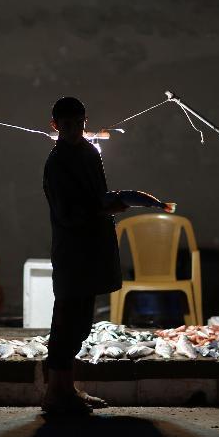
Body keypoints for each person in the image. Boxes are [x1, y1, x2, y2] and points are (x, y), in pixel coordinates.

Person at [41, 96, 128, 415]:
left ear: (85, 122)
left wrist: (111, 205)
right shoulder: (56, 162)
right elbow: (66, 213)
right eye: (67, 125)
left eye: (79, 123)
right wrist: (106, 208)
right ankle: (55, 393)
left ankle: (67, 390)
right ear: (55, 125)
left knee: (80, 323)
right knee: (66, 322)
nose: (75, 129)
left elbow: (99, 195)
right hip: (72, 252)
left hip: (93, 248)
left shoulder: (90, 153)